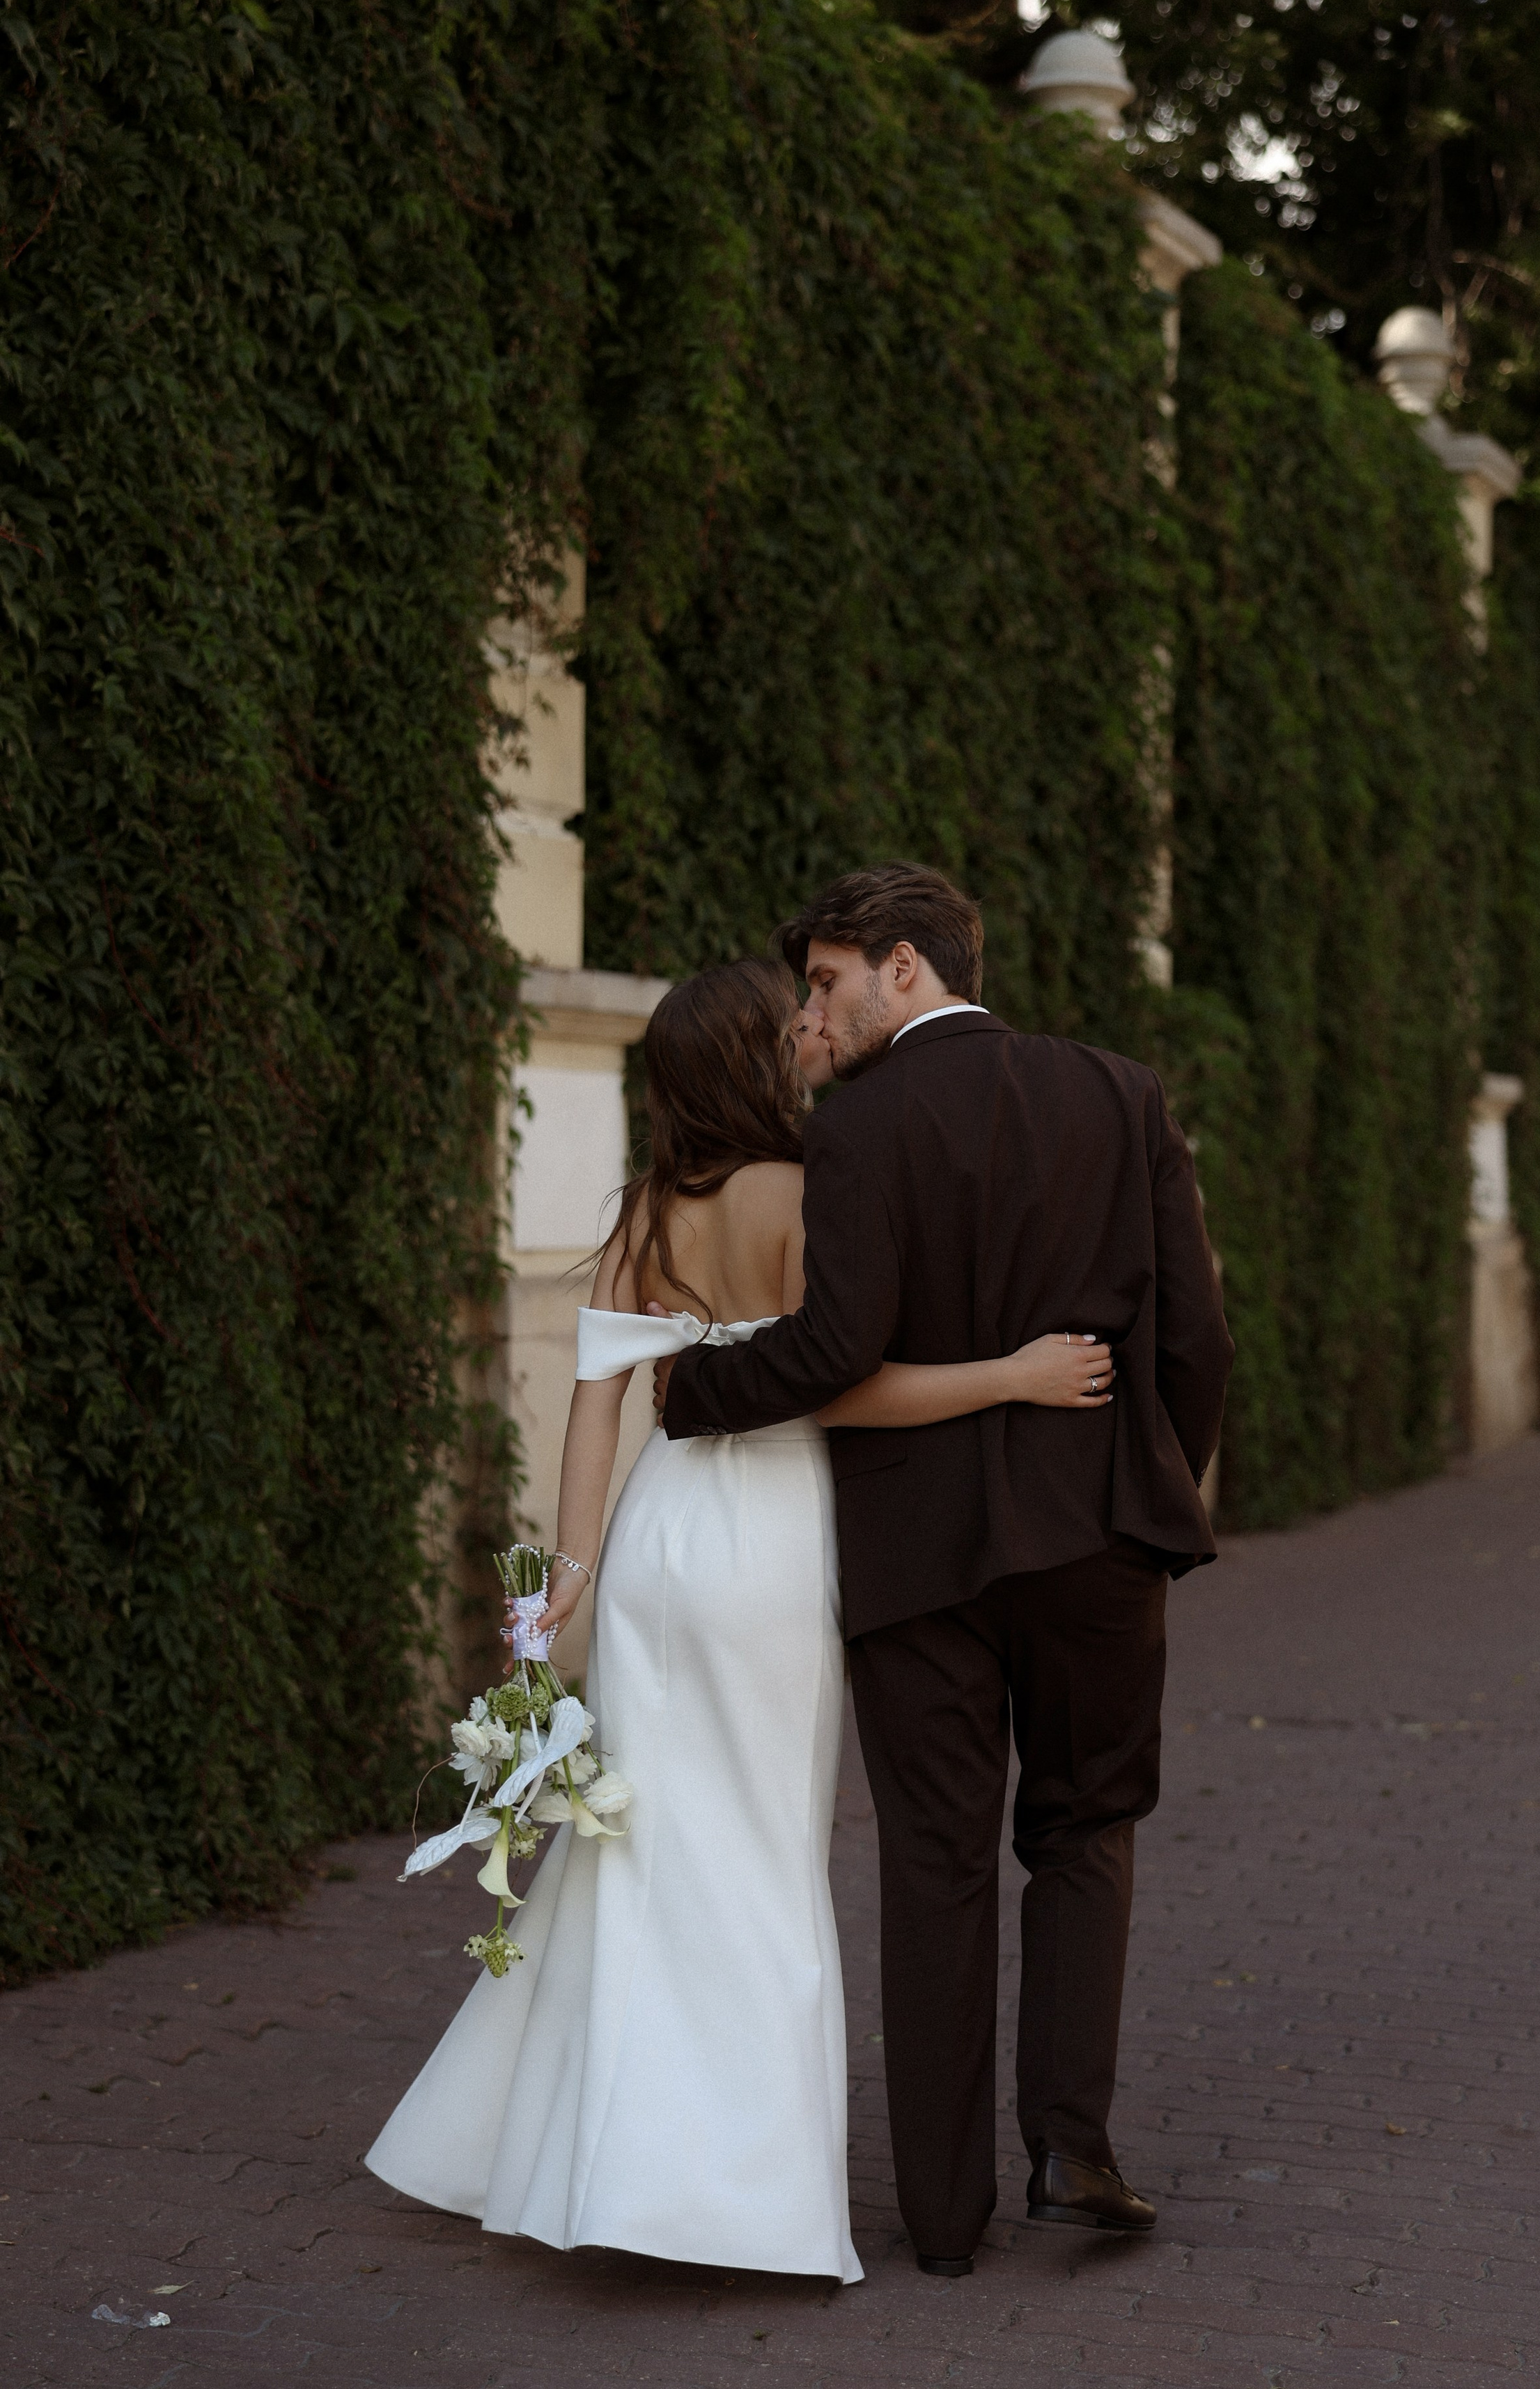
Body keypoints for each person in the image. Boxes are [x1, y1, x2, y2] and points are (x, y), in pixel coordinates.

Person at [364, 955, 1115, 2285]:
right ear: (756, 1064)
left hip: (659, 1542)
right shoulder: (806, 1193)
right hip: (773, 1547)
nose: (813, 1037)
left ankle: (580, 2153)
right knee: (763, 1859)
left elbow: (598, 1400)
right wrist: (1013, 1373)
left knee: (640, 1848)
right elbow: (834, 1388)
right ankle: (730, 2195)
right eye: (793, 1030)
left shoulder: (650, 1209)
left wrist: (566, 1589)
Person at [658, 864, 1231, 2277]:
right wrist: (1155, 1487)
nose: (816, 1011)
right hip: (1098, 1532)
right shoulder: (1121, 1095)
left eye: (829, 982)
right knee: (1085, 1831)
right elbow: (1195, 1342)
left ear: (905, 967)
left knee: (932, 1861)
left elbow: (837, 1345)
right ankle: (1071, 2152)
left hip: (919, 1555)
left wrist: (686, 1389)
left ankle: (938, 2219)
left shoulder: (859, 1128)